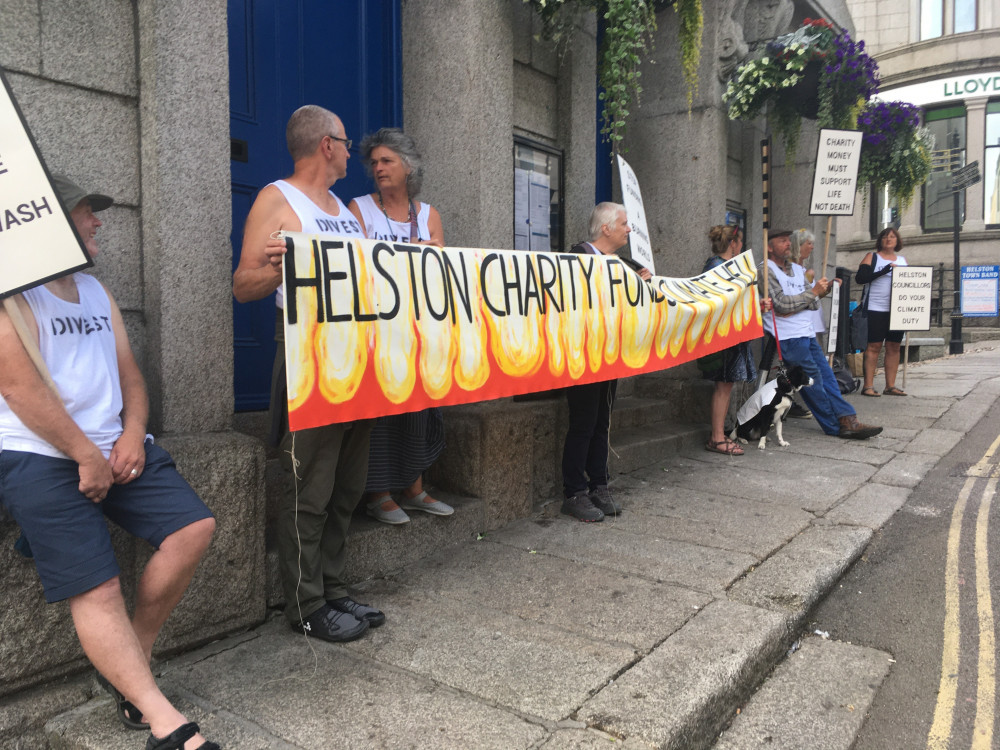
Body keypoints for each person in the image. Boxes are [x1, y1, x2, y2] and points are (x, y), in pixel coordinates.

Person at [0, 176, 219, 750]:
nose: (98, 222)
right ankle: (162, 721)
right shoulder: (13, 296)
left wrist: (134, 431)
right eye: (84, 213)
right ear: (48, 224)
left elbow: (129, 375)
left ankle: (131, 659)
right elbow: (20, 391)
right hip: (41, 456)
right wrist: (83, 456)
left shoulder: (96, 294)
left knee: (194, 528)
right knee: (97, 589)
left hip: (116, 448)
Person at [233, 105, 384, 642]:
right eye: (346, 143)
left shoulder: (343, 208)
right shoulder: (278, 198)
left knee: (347, 482)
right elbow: (243, 284)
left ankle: (335, 589)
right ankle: (306, 603)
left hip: (355, 353)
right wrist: (275, 265)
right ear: (326, 145)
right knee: (310, 482)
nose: (351, 153)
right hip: (307, 350)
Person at [347, 128, 452, 525]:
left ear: (409, 167)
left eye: (387, 160)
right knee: (380, 412)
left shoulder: (428, 216)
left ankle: (415, 488)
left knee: (417, 409)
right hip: (375, 331)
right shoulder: (359, 209)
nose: (378, 168)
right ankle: (378, 494)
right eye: (373, 162)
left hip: (418, 330)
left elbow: (442, 272)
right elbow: (354, 264)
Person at [560, 202, 652, 521]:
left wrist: (643, 285)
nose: (629, 229)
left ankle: (599, 484)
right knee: (583, 423)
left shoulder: (622, 265)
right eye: (624, 224)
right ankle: (574, 492)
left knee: (602, 423)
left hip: (611, 356)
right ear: (606, 228)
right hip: (584, 356)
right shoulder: (577, 258)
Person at [761, 229, 882, 440]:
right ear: (769, 247)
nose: (788, 244)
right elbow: (780, 305)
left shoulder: (797, 270)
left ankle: (847, 418)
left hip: (805, 332)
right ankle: (836, 425)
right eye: (782, 241)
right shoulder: (765, 270)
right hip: (788, 336)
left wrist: (808, 297)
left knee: (827, 377)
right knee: (813, 381)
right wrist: (811, 294)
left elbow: (813, 304)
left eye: (789, 240)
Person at [701, 225, 756, 456]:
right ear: (733, 243)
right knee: (723, 386)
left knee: (726, 385)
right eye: (740, 242)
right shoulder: (716, 267)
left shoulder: (726, 267)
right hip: (723, 337)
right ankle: (716, 437)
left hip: (731, 335)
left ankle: (719, 434)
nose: (742, 246)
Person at [855, 227, 908, 397]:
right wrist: (885, 270)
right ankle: (868, 385)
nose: (888, 239)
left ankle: (890, 385)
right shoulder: (872, 257)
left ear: (897, 241)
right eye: (885, 236)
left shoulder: (902, 260)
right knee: (874, 346)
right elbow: (861, 278)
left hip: (897, 310)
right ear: (880, 240)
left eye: (892, 237)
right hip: (875, 308)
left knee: (894, 346)